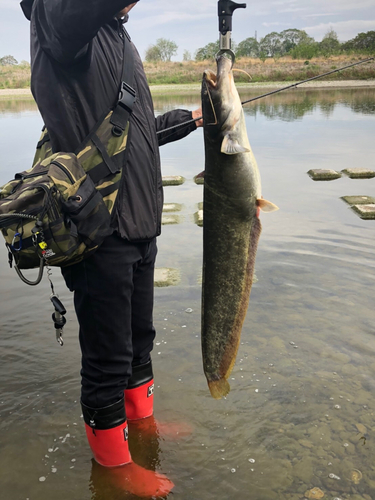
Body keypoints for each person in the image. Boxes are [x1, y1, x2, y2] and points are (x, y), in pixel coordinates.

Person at [20, 0, 202, 497]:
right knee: (107, 356)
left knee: (139, 338)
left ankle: (141, 426)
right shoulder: (57, 21)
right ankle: (114, 466)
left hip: (140, 223)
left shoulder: (116, 38)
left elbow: (129, 134)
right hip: (101, 230)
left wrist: (191, 118)